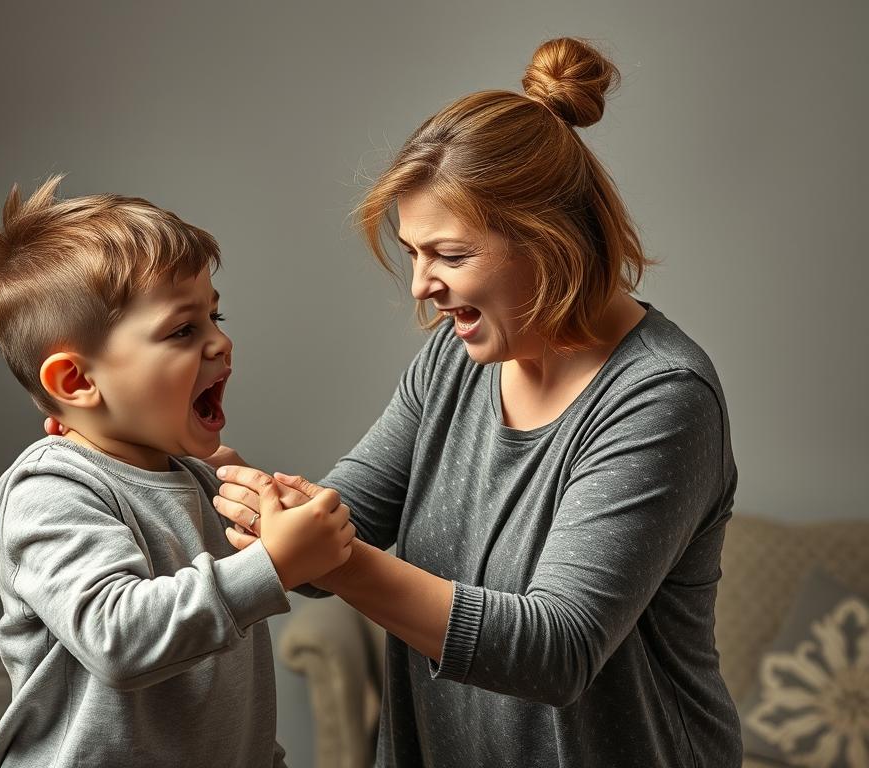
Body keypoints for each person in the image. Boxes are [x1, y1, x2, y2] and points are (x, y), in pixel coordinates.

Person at [213, 38, 743, 767]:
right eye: (414, 253)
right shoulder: (454, 361)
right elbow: (343, 517)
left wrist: (328, 556)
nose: (420, 287)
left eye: (451, 256)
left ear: (550, 242)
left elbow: (556, 650)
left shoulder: (659, 396)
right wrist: (245, 499)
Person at [0, 176, 354, 768]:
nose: (221, 342)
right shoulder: (51, 489)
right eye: (183, 330)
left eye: (215, 316)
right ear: (77, 382)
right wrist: (274, 562)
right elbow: (118, 638)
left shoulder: (199, 477)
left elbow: (308, 580)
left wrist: (288, 529)